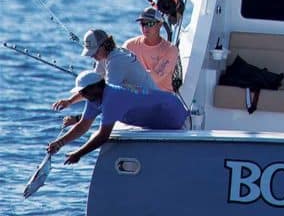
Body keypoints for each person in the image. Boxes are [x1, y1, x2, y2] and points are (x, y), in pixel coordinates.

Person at [47, 70, 187, 164]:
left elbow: (103, 136)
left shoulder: (112, 98)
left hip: (172, 112)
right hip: (158, 113)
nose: (82, 96)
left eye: (83, 92)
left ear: (96, 87)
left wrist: (78, 154)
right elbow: (83, 125)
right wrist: (59, 143)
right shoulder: (94, 99)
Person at [52, 27, 156, 118]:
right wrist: (69, 101)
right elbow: (92, 87)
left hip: (150, 106)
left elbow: (109, 97)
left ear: (104, 45)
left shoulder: (116, 61)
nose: (92, 56)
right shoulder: (104, 57)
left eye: (94, 51)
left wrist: (79, 119)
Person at [125, 7, 180, 93]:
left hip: (161, 98)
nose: (145, 28)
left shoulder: (171, 50)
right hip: (137, 96)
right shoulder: (129, 45)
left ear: (160, 24)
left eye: (150, 23)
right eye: (143, 24)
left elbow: (154, 78)